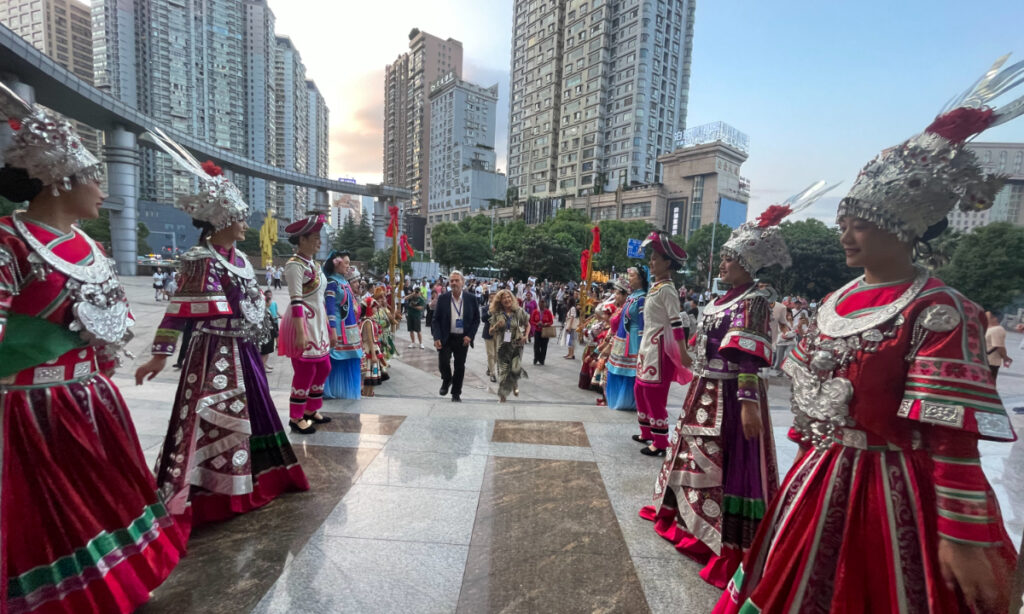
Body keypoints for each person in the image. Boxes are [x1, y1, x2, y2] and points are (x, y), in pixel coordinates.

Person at [715, 62, 1020, 614]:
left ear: (901, 226)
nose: (844, 232)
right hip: (818, 478)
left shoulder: (941, 309)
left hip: (895, 488)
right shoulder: (836, 300)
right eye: (844, 219)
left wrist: (961, 533)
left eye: (859, 221)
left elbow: (951, 435)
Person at [0, 87, 182, 613]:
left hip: (94, 401)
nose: (103, 192)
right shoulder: (7, 241)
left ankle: (112, 585)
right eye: (96, 179)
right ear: (62, 178)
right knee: (53, 517)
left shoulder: (95, 248)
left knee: (105, 503)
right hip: (31, 411)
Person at [642, 183, 832, 588]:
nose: (723, 264)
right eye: (725, 258)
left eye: (731, 259)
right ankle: (690, 521)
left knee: (726, 461)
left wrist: (747, 402)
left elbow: (748, 354)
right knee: (692, 451)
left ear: (749, 264)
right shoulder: (722, 298)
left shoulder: (756, 299)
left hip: (731, 394)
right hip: (704, 388)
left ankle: (724, 540)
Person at [134, 131, 309, 542]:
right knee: (209, 419)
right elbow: (178, 310)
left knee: (255, 412)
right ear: (224, 220)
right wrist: (160, 355)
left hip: (245, 351)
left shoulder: (242, 259)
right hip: (212, 351)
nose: (246, 224)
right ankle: (211, 494)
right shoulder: (200, 259)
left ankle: (253, 480)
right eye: (241, 217)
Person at [633, 231, 693, 456]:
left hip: (660, 348)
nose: (651, 262)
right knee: (640, 389)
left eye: (655, 258)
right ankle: (646, 432)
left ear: (668, 263)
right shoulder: (656, 287)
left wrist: (682, 351)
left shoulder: (668, 289)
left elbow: (676, 323)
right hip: (648, 344)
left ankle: (660, 442)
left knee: (653, 393)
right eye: (651, 258)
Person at [278, 215, 332, 434]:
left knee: (324, 367)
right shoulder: (294, 266)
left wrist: (328, 326)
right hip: (304, 323)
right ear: (302, 240)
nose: (319, 242)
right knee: (304, 371)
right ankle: (296, 416)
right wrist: (300, 333)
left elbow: (320, 299)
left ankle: (311, 409)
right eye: (315, 238)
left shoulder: (314, 265)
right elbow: (296, 300)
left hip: (318, 324)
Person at [431, 269, 479, 403]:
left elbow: (476, 319)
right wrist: (436, 337)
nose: (454, 283)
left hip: (463, 339)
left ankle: (456, 393)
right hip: (447, 337)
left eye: (457, 280)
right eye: (451, 281)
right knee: (443, 362)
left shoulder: (471, 299)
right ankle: (447, 379)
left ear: (463, 282)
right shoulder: (443, 298)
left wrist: (470, 336)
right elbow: (436, 320)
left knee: (459, 366)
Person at [605, 267, 648, 411]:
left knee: (630, 372)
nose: (630, 279)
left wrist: (643, 345)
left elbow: (643, 323)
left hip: (634, 339)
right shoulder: (631, 297)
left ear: (641, 278)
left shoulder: (642, 298)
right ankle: (620, 400)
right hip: (623, 337)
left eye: (632, 276)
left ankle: (630, 401)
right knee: (617, 369)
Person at [322, 252, 363, 399]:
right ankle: (332, 390)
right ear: (337, 263)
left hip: (350, 328)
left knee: (350, 358)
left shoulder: (344, 282)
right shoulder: (332, 283)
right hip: (339, 329)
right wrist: (332, 329)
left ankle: (341, 391)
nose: (348, 266)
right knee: (337, 358)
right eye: (346, 263)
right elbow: (330, 309)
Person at [490, 289, 530, 402]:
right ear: (500, 301)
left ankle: (514, 383)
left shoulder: (519, 311)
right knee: (503, 370)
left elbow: (528, 325)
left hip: (517, 345)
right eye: (504, 298)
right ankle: (502, 396)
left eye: (509, 297)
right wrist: (497, 325)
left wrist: (526, 336)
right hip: (502, 346)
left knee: (514, 369)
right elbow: (490, 332)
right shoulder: (497, 314)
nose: (507, 299)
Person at [986, 309, 1012, 379]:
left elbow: (999, 347)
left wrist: (1005, 358)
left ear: (995, 318)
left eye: (987, 316)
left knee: (989, 382)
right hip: (987, 361)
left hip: (991, 362)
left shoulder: (997, 329)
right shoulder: (991, 328)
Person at [530, 297, 555, 365]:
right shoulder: (535, 311)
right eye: (540, 303)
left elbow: (551, 321)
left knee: (544, 346)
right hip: (537, 331)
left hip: (545, 331)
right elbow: (531, 321)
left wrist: (547, 324)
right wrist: (536, 323)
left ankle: (542, 359)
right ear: (538, 304)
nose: (542, 305)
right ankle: (536, 358)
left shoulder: (548, 312)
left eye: (543, 303)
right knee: (536, 346)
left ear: (545, 304)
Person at [260, 289, 279, 370]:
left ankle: (264, 365)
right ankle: (262, 367)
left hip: (266, 336)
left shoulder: (265, 311)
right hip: (266, 336)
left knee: (266, 353)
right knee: (265, 353)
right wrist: (275, 334)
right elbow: (270, 326)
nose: (270, 303)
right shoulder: (265, 313)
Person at [481, 289, 498, 382]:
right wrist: (489, 312)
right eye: (491, 298)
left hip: (498, 333)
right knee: (490, 354)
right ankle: (492, 373)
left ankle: (489, 366)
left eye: (494, 297)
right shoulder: (485, 308)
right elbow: (483, 319)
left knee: (497, 355)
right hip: (488, 333)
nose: (492, 299)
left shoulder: (501, 308)